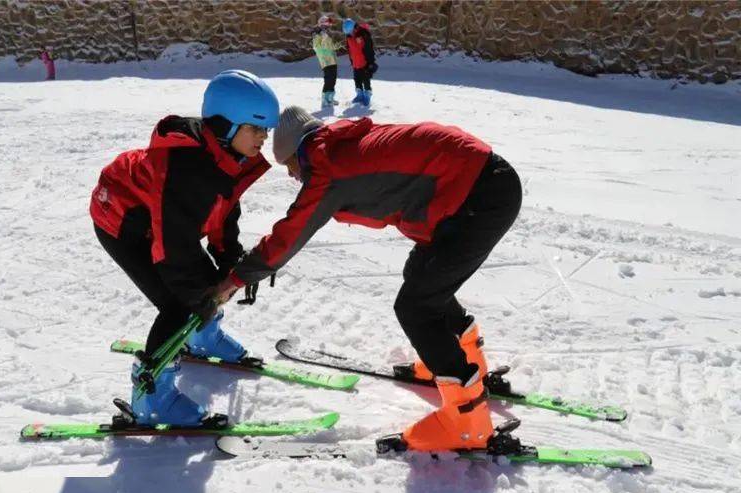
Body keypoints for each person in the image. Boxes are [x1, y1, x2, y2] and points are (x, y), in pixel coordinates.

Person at [213, 106, 522, 451]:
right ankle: (463, 363)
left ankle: (466, 424)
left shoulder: (328, 168)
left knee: (417, 307)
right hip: (476, 188)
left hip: (479, 197)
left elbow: (292, 232)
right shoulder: (338, 144)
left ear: (299, 152)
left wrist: (238, 277)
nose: (291, 175)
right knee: (421, 279)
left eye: (288, 165)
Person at [89, 70, 279, 426]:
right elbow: (174, 248)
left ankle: (202, 338)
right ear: (225, 125)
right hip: (122, 221)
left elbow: (224, 212)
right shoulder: (186, 170)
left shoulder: (226, 157)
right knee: (180, 303)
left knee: (211, 282)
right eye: (256, 129)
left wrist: (228, 264)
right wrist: (201, 300)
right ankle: (151, 399)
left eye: (265, 130)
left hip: (159, 221)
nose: (263, 138)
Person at [342, 18, 377, 106]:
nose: (350, 34)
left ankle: (367, 96)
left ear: (354, 28)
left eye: (350, 32)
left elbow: (369, 49)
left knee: (366, 80)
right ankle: (359, 95)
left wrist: (371, 63)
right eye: (348, 33)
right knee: (357, 79)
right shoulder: (349, 36)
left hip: (365, 62)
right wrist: (351, 60)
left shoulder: (363, 34)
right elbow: (350, 50)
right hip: (355, 62)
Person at [312, 15, 342, 107]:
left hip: (332, 60)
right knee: (328, 80)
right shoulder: (317, 35)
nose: (328, 27)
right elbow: (316, 47)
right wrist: (323, 38)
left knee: (333, 80)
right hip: (326, 61)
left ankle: (330, 98)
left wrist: (337, 46)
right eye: (327, 25)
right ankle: (324, 99)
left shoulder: (326, 34)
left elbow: (329, 46)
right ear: (322, 24)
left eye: (329, 26)